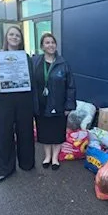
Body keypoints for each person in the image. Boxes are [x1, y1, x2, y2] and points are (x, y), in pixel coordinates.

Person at [0, 26, 35, 182]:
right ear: (6, 38)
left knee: (25, 131)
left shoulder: (25, 57)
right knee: (4, 133)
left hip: (23, 99)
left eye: (17, 35)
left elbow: (31, 79)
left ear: (21, 39)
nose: (14, 37)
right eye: (11, 34)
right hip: (4, 100)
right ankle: (6, 169)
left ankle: (27, 163)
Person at [32, 33, 76, 170]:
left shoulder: (63, 63)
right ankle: (47, 156)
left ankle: (55, 158)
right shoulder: (35, 62)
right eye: (47, 43)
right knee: (44, 131)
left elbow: (71, 86)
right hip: (41, 104)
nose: (50, 45)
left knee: (57, 132)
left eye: (52, 42)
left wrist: (69, 105)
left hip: (59, 104)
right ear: (42, 46)